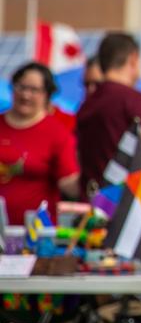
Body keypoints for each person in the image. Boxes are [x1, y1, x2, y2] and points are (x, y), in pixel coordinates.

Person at [76, 33, 141, 194]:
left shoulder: (87, 104)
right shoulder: (134, 100)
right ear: (134, 59)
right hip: (125, 203)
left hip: (93, 201)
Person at [0, 62, 80, 222]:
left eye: (34, 90)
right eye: (21, 87)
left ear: (47, 95)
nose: (26, 95)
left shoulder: (57, 133)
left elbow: (69, 183)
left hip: (37, 233)